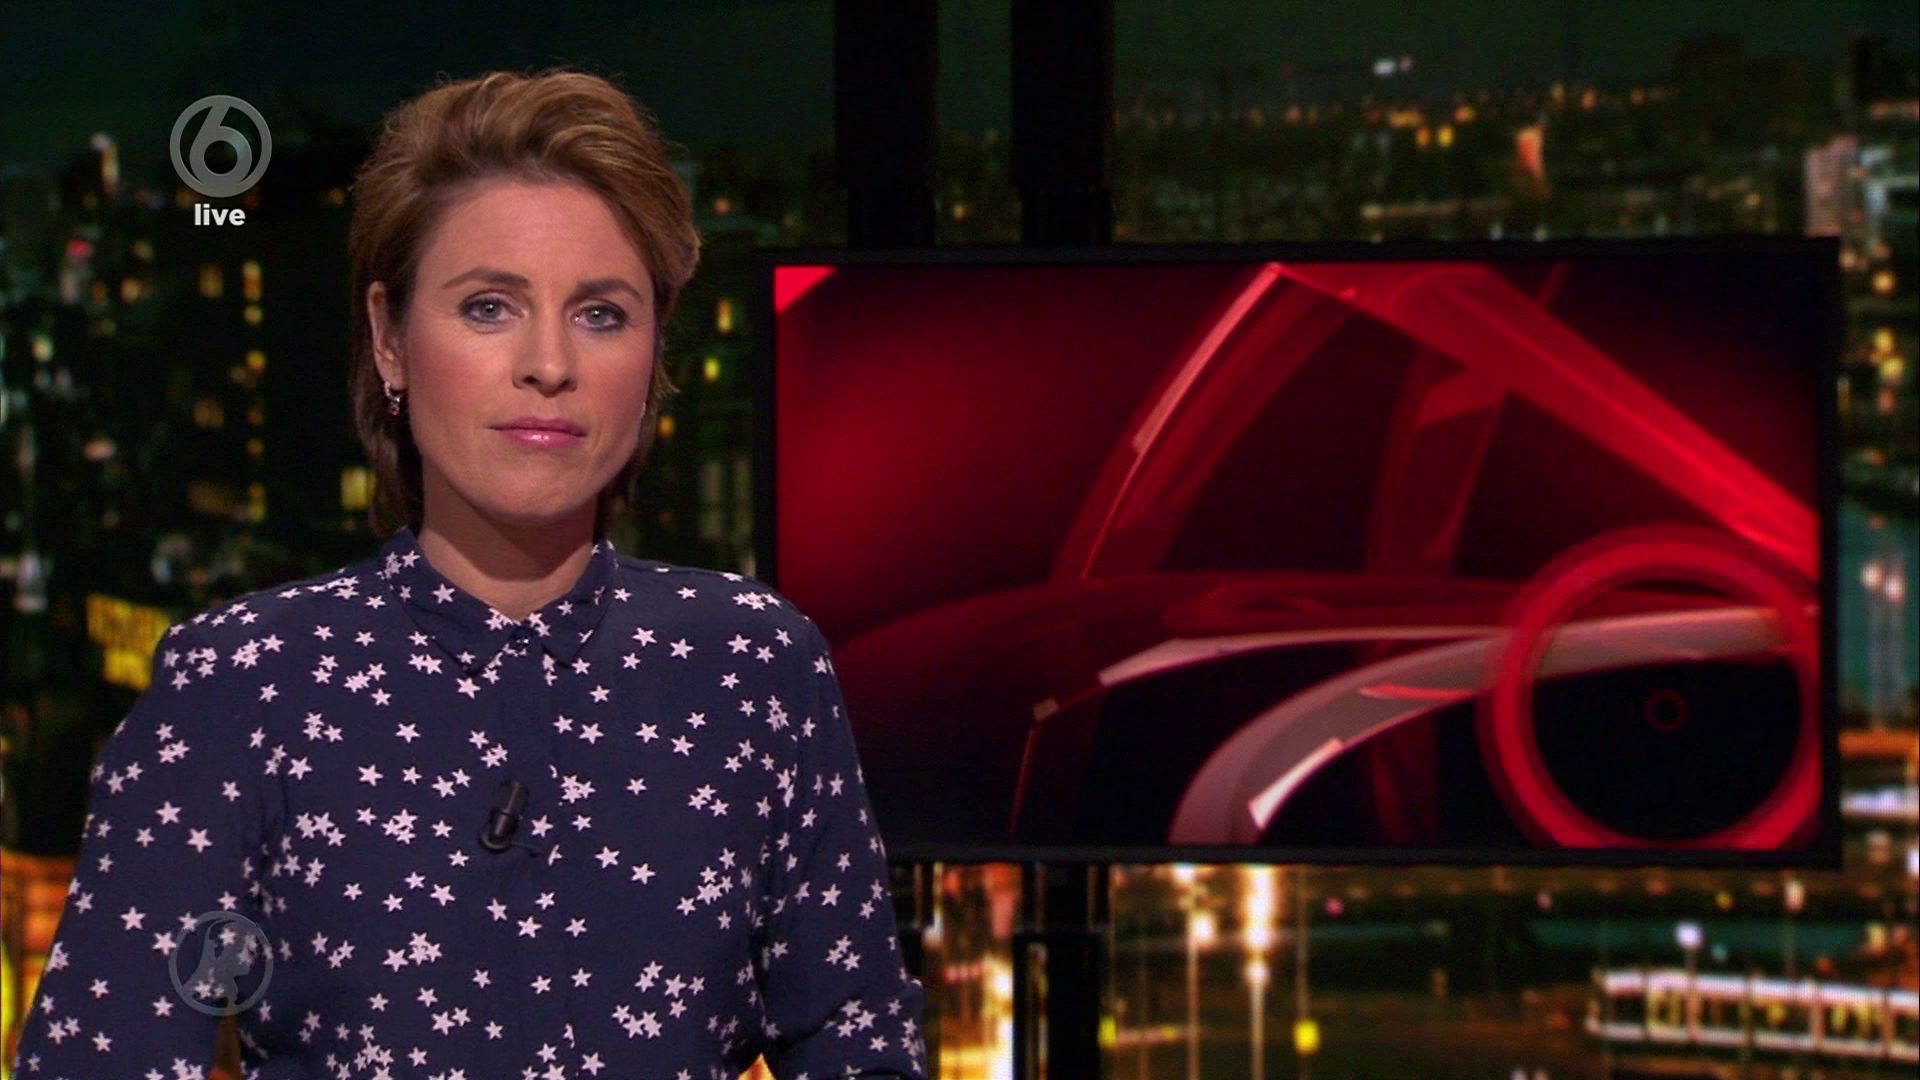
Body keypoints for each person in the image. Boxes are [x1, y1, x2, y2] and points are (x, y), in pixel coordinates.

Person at [9, 68, 929, 1080]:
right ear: (390, 340)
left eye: (601, 314)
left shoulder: (754, 667)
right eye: (489, 307)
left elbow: (861, 1048)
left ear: (654, 354)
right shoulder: (240, 687)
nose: (549, 364)